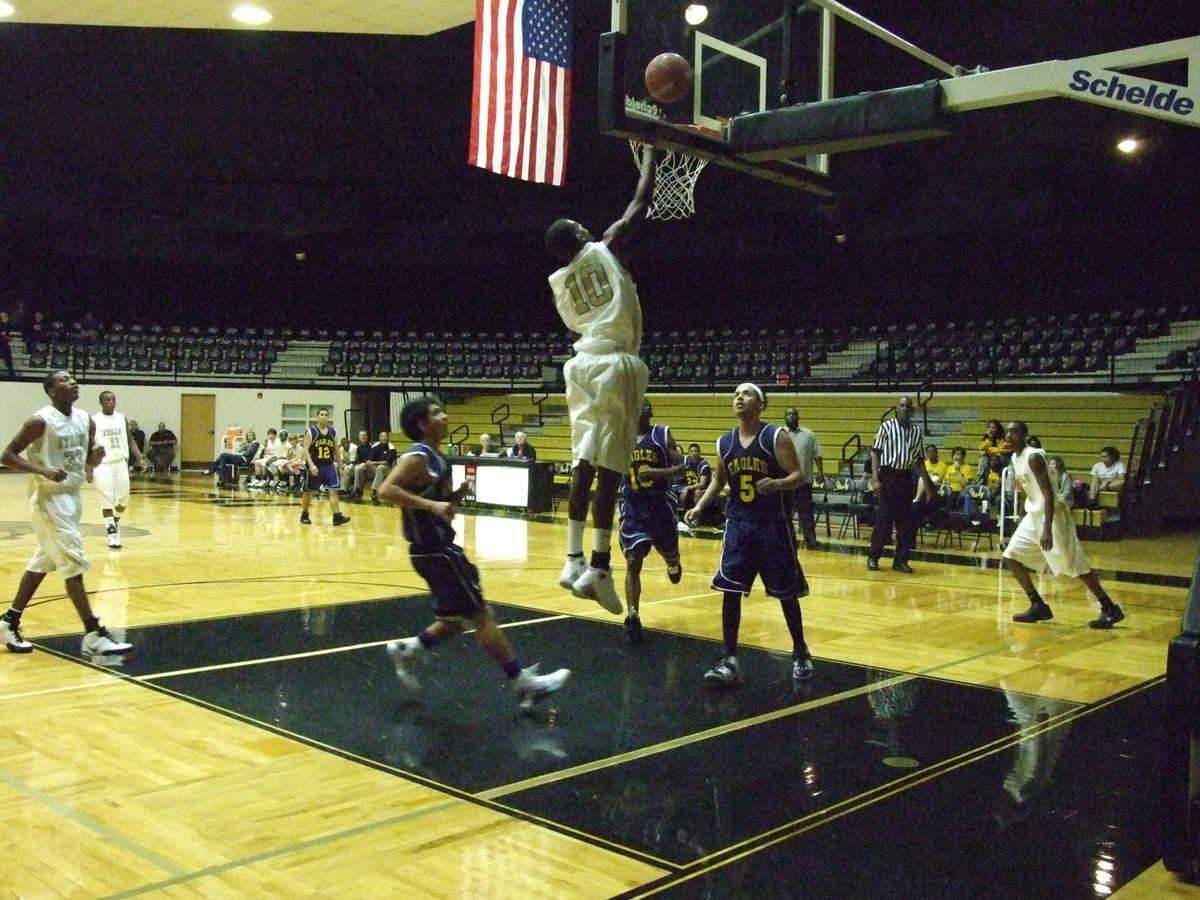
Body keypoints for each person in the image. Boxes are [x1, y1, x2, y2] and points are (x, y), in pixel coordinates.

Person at [379, 396, 570, 710]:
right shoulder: (417, 456)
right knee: (482, 615)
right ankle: (523, 683)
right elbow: (386, 491)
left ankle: (409, 649)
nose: (445, 416)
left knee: (453, 621)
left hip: (437, 549)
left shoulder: (435, 456)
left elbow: (439, 506)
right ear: (422, 424)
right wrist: (432, 505)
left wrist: (454, 496)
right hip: (436, 551)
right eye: (436, 413)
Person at [547, 144, 656, 615]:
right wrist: (652, 157)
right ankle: (599, 566)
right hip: (614, 362)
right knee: (612, 468)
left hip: (580, 364)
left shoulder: (560, 281)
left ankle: (571, 560)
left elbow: (574, 324)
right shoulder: (605, 246)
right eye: (578, 226)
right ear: (577, 235)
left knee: (583, 463)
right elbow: (638, 205)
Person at [684, 383, 813, 687]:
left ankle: (800, 651)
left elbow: (798, 476)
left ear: (761, 405)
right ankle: (729, 659)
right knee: (730, 591)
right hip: (740, 526)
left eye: (746, 394)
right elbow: (718, 480)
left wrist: (777, 484)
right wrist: (700, 506)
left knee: (786, 593)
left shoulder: (775, 437)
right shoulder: (725, 442)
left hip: (772, 527)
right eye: (736, 395)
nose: (739, 398)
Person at [0, 371, 134, 658]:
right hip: (48, 499)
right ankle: (93, 632)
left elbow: (85, 463)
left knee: (44, 560)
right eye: (64, 379)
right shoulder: (40, 421)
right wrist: (41, 469)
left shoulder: (86, 419)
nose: (72, 382)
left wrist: (93, 461)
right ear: (50, 389)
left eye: (73, 378)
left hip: (72, 497)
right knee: (74, 563)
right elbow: (7, 456)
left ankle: (9, 621)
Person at [1004, 421, 1125, 629]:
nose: (1008, 435)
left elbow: (1048, 493)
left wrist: (1047, 528)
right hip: (1034, 516)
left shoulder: (1033, 457)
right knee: (1010, 556)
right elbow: (1030, 491)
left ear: (1024, 435)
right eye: (1007, 431)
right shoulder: (1015, 458)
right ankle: (1038, 605)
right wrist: (1024, 515)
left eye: (1014, 431)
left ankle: (1109, 607)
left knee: (1075, 564)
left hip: (1053, 515)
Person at [618, 401, 684, 645]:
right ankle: (632, 614)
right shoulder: (622, 437)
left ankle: (674, 563)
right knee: (633, 559)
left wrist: (658, 473)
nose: (639, 409)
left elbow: (682, 468)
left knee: (671, 554)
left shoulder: (662, 435)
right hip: (633, 507)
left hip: (659, 507)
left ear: (650, 413)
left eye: (644, 407)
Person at [866, 396, 934, 574]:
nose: (904, 409)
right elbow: (875, 453)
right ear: (897, 408)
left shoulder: (917, 432)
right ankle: (873, 557)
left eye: (907, 406)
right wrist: (875, 479)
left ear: (912, 411)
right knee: (884, 521)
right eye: (901, 405)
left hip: (906, 477)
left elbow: (920, 462)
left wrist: (927, 485)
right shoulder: (886, 427)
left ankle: (901, 560)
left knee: (906, 523)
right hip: (888, 475)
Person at [91, 390, 144, 548]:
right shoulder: (94, 421)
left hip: (121, 462)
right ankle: (112, 533)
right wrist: (88, 467)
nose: (111, 402)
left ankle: (115, 521)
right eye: (107, 400)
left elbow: (129, 439)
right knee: (106, 499)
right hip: (103, 464)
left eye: (113, 399)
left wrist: (140, 457)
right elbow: (88, 445)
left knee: (123, 499)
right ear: (101, 402)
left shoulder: (122, 418)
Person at [782, 406, 826, 551]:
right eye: (789, 414)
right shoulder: (780, 434)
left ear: (798, 417)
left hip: (804, 481)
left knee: (806, 513)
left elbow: (817, 455)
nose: (791, 416)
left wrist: (820, 472)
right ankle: (787, 539)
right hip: (785, 482)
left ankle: (810, 540)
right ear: (785, 417)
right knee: (785, 512)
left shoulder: (808, 434)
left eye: (794, 414)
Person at [299, 408, 349, 526]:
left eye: (326, 415)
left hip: (329, 465)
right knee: (308, 492)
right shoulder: (311, 431)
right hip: (315, 465)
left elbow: (336, 450)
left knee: (333, 490)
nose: (324, 416)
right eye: (322, 414)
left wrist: (341, 468)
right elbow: (305, 450)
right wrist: (311, 465)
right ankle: (304, 514)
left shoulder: (333, 432)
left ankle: (337, 516)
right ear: (317, 417)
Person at [677, 442, 712, 520]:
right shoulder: (687, 460)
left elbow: (702, 484)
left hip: (704, 489)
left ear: (699, 452)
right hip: (690, 487)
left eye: (695, 451)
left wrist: (687, 488)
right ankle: (682, 516)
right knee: (676, 490)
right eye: (691, 451)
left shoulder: (704, 465)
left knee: (697, 492)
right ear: (689, 453)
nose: (693, 453)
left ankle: (697, 518)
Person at [0, 311, 16, 378]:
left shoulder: (8, 325)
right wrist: (6, 337)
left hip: (5, 345)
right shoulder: (1, 325)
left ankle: (12, 374)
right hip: (1, 345)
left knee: (8, 361)